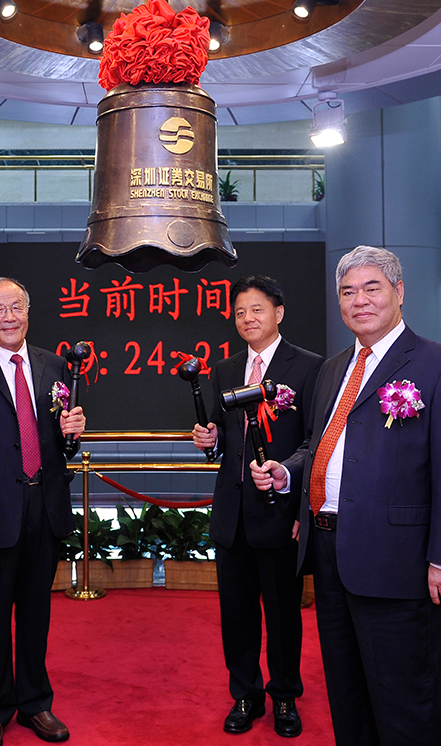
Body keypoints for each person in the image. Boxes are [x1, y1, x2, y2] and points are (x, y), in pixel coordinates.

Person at [252, 246, 441, 746]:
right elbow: (319, 443)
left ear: (399, 292)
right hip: (329, 551)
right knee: (347, 693)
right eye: (348, 292)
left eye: (372, 288)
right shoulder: (333, 368)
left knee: (405, 702)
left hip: (399, 559)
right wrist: (289, 475)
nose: (360, 301)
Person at [0, 277, 86, 746]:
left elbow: (63, 447)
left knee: (36, 612)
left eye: (16, 307)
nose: (9, 317)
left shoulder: (54, 365)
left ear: (28, 312)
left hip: (44, 506)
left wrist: (72, 432)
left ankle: (35, 703)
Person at [191, 276, 322, 738]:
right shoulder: (225, 370)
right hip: (233, 513)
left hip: (280, 512)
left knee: (283, 613)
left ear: (278, 313)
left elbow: (315, 443)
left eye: (257, 309)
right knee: (237, 613)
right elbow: (223, 441)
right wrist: (209, 439)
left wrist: (298, 498)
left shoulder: (308, 367)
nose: (248, 318)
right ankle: (245, 694)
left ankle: (285, 695)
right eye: (240, 312)